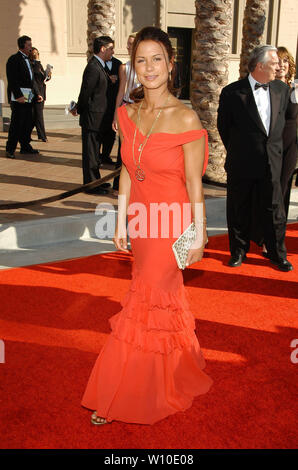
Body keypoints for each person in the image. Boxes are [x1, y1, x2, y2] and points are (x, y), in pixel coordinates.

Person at [81, 26, 213, 425]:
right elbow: (126, 170)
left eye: (157, 59)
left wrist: (201, 233)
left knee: (145, 302)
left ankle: (118, 394)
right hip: (140, 221)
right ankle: (173, 369)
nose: (149, 67)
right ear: (132, 66)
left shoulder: (185, 116)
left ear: (171, 64)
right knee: (158, 302)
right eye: (141, 60)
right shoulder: (128, 113)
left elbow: (194, 184)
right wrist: (120, 221)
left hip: (171, 223)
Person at [217, 45, 293, 272]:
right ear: (260, 66)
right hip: (242, 161)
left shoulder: (282, 90)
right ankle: (238, 251)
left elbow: (284, 124)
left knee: (275, 210)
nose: (280, 66)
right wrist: (242, 149)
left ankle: (277, 254)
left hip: (272, 162)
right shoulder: (232, 93)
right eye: (275, 63)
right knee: (238, 208)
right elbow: (224, 128)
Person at [72, 36, 115, 195]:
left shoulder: (100, 66)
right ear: (103, 49)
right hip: (92, 118)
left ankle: (96, 181)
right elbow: (86, 93)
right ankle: (91, 185)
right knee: (91, 154)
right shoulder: (93, 67)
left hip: (99, 118)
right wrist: (79, 108)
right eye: (110, 48)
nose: (113, 51)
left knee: (95, 154)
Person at [5, 35, 43, 159]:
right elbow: (12, 80)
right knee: (16, 123)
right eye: (29, 45)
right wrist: (18, 96)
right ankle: (10, 149)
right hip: (19, 98)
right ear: (22, 46)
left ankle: (25, 146)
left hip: (30, 96)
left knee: (28, 122)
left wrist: (37, 94)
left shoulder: (29, 60)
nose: (31, 47)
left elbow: (32, 80)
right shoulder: (14, 60)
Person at [111, 33, 138, 192]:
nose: (128, 47)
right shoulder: (124, 67)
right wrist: (116, 115)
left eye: (131, 44)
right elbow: (121, 93)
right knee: (124, 149)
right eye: (128, 44)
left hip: (145, 114)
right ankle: (118, 184)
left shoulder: (148, 67)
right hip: (128, 112)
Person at [276, 46, 297, 219]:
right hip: (271, 145)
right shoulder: (266, 88)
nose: (282, 65)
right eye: (278, 61)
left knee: (284, 187)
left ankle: (277, 231)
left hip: (291, 146)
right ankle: (264, 232)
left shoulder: (295, 89)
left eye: (285, 61)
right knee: (271, 187)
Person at [99, 54, 122, 165]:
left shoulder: (119, 64)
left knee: (111, 133)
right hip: (101, 102)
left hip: (113, 102)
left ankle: (106, 155)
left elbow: (122, 84)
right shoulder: (99, 64)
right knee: (100, 131)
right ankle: (97, 155)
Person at [29, 47, 51, 142]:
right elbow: (33, 80)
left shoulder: (39, 64)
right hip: (36, 93)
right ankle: (42, 136)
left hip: (42, 91)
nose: (36, 55)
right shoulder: (32, 65)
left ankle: (25, 133)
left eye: (37, 53)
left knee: (34, 116)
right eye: (34, 54)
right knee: (38, 115)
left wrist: (48, 75)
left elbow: (42, 78)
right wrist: (38, 93)